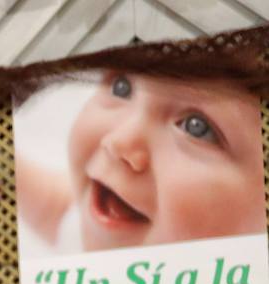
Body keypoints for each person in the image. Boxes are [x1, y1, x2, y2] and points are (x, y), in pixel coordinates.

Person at [15, 70, 265, 255]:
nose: (118, 142)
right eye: (122, 87)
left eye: (196, 128)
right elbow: (55, 209)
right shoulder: (84, 228)